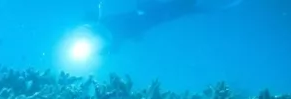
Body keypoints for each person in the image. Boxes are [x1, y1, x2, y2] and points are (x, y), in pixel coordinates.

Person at [88, 0, 238, 48]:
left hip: (145, 15)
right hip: (145, 16)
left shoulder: (103, 25)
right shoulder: (104, 28)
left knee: (172, 10)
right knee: (173, 10)